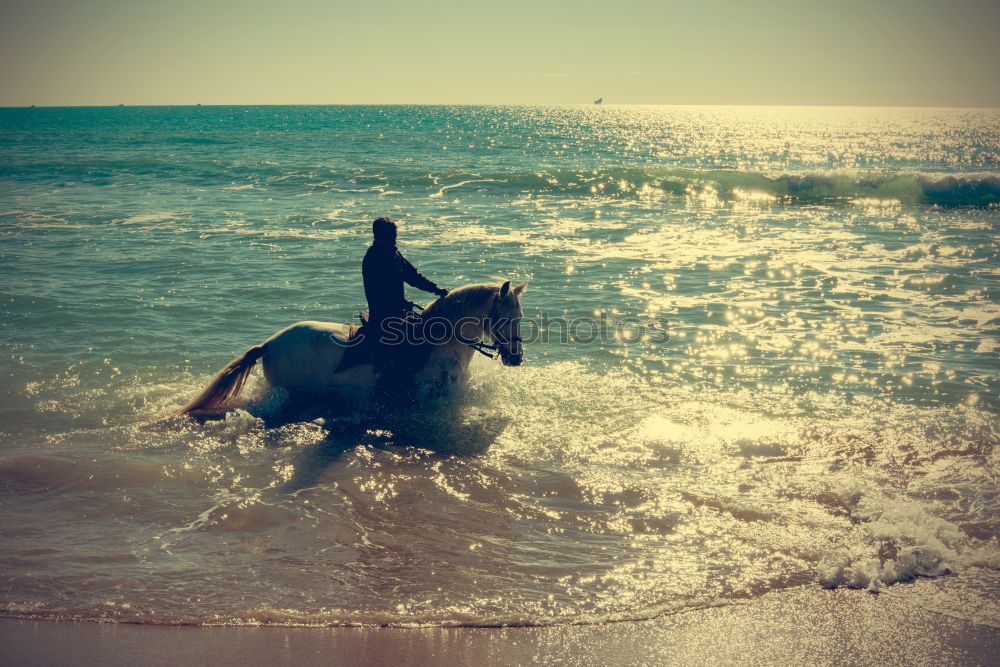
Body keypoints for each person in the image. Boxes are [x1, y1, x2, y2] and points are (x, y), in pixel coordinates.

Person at [362, 217, 448, 404]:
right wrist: (402, 303)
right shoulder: (373, 258)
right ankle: (394, 390)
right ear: (379, 236)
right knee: (412, 343)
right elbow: (378, 292)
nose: (394, 239)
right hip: (383, 315)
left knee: (430, 328)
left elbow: (414, 277)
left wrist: (437, 290)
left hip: (398, 311)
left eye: (395, 235)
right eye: (391, 235)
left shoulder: (394, 254)